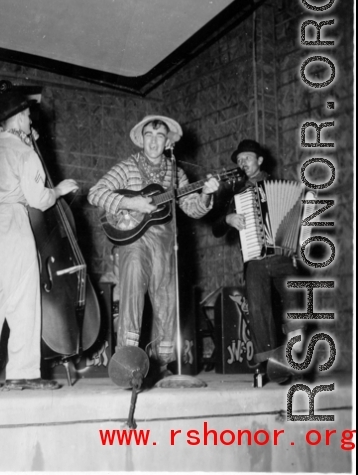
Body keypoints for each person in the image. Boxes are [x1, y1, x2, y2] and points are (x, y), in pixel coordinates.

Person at [0, 80, 78, 390]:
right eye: (28, 116)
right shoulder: (25, 152)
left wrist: (27, 144)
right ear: (20, 116)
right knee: (23, 299)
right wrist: (59, 190)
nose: (31, 121)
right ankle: (23, 372)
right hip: (12, 221)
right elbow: (39, 199)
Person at [88, 115, 219, 380]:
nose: (154, 141)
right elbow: (95, 193)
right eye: (149, 134)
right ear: (142, 138)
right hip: (133, 239)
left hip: (165, 241)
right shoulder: (127, 167)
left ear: (168, 141)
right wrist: (131, 203)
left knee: (166, 298)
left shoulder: (176, 172)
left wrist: (207, 192)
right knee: (133, 291)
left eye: (160, 136)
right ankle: (127, 361)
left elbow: (192, 208)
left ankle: (161, 362)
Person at [212, 139, 305, 369]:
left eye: (247, 158)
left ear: (260, 160)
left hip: (283, 257)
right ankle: (270, 363)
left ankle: (296, 357)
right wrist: (228, 219)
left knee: (294, 302)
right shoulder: (237, 193)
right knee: (257, 309)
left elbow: (302, 219)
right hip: (255, 259)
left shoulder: (280, 184)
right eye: (239, 160)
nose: (242, 162)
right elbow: (216, 229)